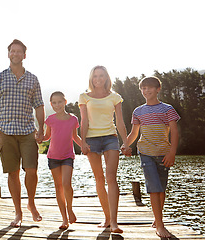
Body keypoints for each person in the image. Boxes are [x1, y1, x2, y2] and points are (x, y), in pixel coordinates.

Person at [0, 39, 45, 227]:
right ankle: (18, 212)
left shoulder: (33, 79)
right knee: (13, 172)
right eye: (12, 51)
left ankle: (31, 203)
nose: (15, 54)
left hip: (27, 131)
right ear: (8, 54)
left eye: (19, 51)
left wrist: (42, 128)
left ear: (24, 55)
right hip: (6, 132)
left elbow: (39, 105)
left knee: (31, 169)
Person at [123, 76, 180, 238]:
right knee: (154, 188)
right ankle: (160, 226)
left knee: (161, 189)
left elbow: (174, 132)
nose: (146, 91)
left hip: (163, 153)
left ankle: (157, 219)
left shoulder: (167, 109)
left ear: (157, 89)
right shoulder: (138, 111)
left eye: (149, 88)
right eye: (143, 88)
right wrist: (125, 144)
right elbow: (134, 133)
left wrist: (172, 152)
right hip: (145, 153)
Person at [78, 65, 130, 233]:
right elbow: (84, 121)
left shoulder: (115, 97)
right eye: (95, 76)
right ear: (91, 78)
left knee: (111, 177)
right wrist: (83, 142)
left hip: (110, 138)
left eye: (101, 76)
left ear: (107, 78)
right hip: (92, 140)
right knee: (99, 178)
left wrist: (126, 142)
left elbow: (120, 122)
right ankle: (107, 217)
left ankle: (114, 222)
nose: (98, 79)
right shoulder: (84, 97)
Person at [43, 91, 82, 230]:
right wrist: (38, 137)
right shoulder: (50, 119)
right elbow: (47, 136)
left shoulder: (73, 119)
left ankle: (70, 209)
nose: (57, 105)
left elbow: (75, 137)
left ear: (65, 102)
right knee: (58, 187)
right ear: (51, 104)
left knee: (66, 184)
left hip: (67, 156)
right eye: (54, 102)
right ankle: (64, 219)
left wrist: (84, 145)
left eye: (60, 102)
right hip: (53, 157)